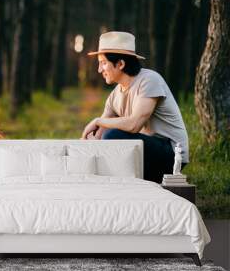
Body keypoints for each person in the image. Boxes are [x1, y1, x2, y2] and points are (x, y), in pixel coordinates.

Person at [81, 31, 189, 183]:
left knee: (112, 136)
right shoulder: (114, 95)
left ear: (120, 64)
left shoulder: (150, 80)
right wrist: (88, 145)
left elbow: (134, 124)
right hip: (143, 151)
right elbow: (99, 135)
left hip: (171, 153)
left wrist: (98, 121)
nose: (99, 70)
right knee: (105, 142)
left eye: (103, 63)